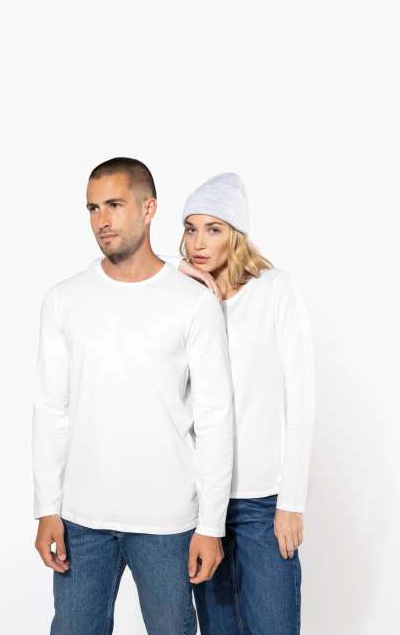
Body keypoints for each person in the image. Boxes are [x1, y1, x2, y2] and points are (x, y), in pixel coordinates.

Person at [31, 158, 235, 635]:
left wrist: (211, 524)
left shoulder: (192, 301)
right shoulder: (64, 300)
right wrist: (46, 509)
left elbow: (214, 417)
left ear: (149, 209)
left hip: (167, 522)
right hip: (81, 521)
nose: (102, 220)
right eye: (93, 208)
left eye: (115, 205)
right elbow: (51, 410)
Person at [158, 172, 316, 634]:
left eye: (213, 229)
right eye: (191, 229)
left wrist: (292, 501)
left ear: (236, 233)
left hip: (263, 502)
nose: (198, 242)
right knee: (218, 628)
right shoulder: (187, 300)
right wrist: (181, 275)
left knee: (273, 626)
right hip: (203, 503)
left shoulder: (275, 289)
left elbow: (301, 399)